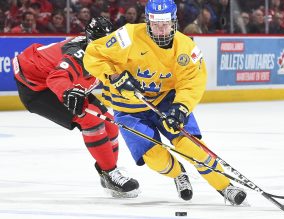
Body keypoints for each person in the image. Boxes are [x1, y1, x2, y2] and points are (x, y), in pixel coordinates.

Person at [83, 0, 247, 205]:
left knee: (191, 146)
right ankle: (179, 174)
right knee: (154, 157)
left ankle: (226, 186)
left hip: (165, 101)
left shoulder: (186, 48)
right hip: (128, 109)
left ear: (174, 21)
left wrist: (181, 107)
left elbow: (192, 82)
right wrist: (114, 76)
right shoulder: (128, 36)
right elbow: (93, 55)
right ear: (148, 21)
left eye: (165, 22)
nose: (160, 27)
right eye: (155, 22)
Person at [12, 16, 140, 198]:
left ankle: (108, 173)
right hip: (38, 87)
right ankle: (110, 172)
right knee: (91, 120)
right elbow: (57, 78)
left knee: (110, 123)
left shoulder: (105, 51)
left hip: (58, 77)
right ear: (90, 40)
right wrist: (67, 92)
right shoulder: (79, 55)